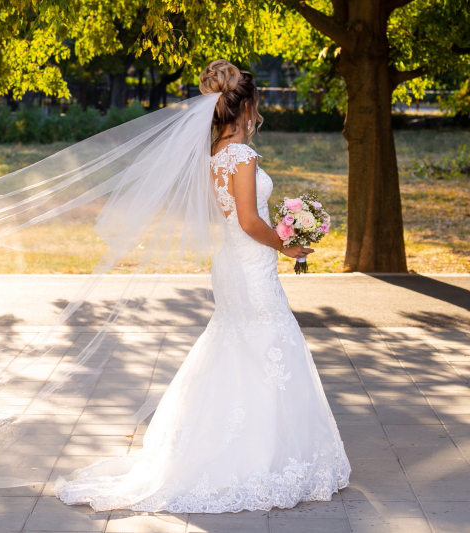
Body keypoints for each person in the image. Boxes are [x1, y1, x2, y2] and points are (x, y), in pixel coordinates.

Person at [54, 59, 351, 512]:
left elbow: (236, 216)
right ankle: (261, 459)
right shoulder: (242, 156)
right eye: (255, 105)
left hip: (234, 263)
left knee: (239, 348)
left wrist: (280, 229)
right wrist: (286, 243)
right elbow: (249, 220)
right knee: (270, 344)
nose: (257, 112)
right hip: (249, 265)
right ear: (245, 106)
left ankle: (234, 448)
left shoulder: (214, 154)